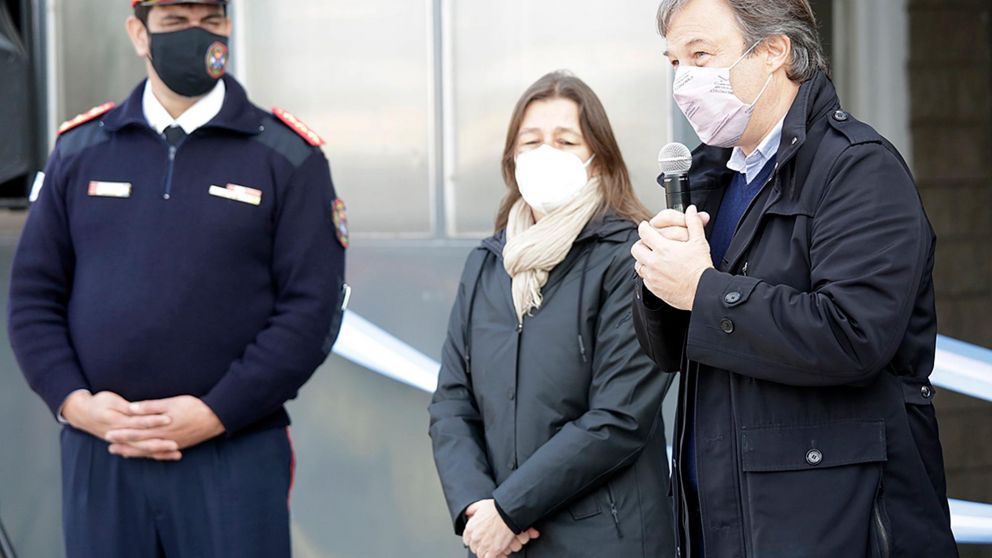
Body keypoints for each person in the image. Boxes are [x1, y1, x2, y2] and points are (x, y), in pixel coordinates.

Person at [7, 2, 348, 557]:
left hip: (231, 451)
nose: (196, 34)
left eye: (210, 21)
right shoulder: (81, 150)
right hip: (103, 452)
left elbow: (311, 311)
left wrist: (217, 412)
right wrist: (74, 403)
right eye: (173, 21)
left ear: (229, 28)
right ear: (138, 34)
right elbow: (32, 298)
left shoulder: (286, 156)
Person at [630, 0, 957, 557]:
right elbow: (673, 353)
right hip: (726, 520)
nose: (685, 81)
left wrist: (703, 291)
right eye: (675, 62)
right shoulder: (712, 179)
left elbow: (852, 336)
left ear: (775, 50)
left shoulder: (858, 168)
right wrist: (660, 284)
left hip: (836, 528)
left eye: (701, 55)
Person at [429, 70, 676, 558]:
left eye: (565, 141)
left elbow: (619, 416)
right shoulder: (489, 262)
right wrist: (477, 507)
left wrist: (508, 510)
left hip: (607, 538)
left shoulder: (632, 255)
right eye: (531, 141)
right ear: (511, 158)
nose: (546, 154)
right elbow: (451, 403)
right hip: (504, 540)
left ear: (598, 160)